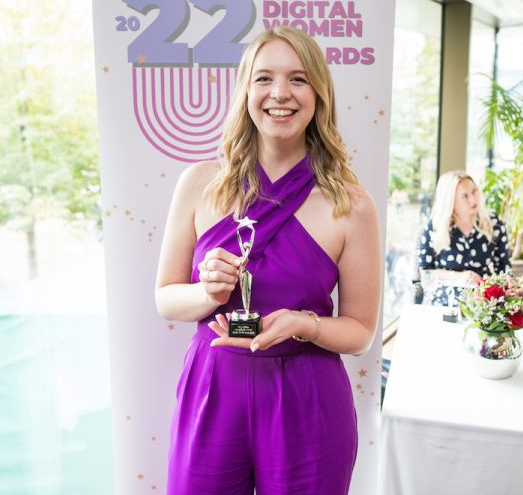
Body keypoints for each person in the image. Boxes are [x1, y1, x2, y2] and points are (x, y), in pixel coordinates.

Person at [155, 26, 381, 495]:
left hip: (308, 396)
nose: (280, 93)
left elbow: (359, 332)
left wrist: (305, 323)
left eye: (298, 79)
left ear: (319, 94)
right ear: (245, 91)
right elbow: (166, 299)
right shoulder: (198, 184)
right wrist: (206, 292)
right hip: (214, 387)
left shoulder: (352, 205)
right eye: (264, 78)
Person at [417, 170, 510, 306]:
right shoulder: (436, 227)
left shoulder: (493, 223)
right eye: (465, 196)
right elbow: (425, 272)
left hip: (484, 303)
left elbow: (503, 267)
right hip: (444, 301)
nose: (473, 199)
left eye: (474, 191)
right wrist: (458, 276)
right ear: (451, 200)